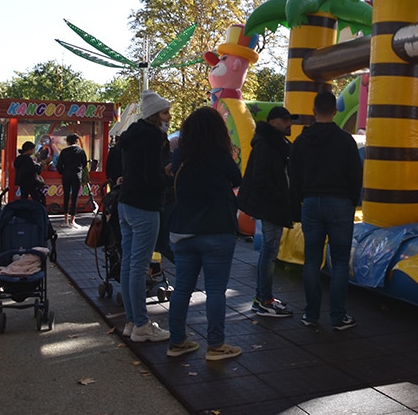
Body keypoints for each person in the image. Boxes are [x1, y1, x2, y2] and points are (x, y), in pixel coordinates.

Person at [166, 106, 243, 361]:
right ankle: (216, 345)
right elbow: (236, 179)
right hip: (217, 229)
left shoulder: (180, 156)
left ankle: (177, 341)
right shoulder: (221, 156)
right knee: (215, 290)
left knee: (181, 289)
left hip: (183, 230)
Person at [289, 90, 363, 330]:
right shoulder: (345, 140)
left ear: (313, 111)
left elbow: (294, 173)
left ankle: (311, 315)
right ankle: (338, 316)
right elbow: (355, 174)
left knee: (312, 260)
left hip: (311, 202)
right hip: (340, 202)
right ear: (335, 110)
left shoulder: (302, 140)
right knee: (340, 261)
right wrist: (352, 200)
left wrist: (301, 198)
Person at [116, 91, 174, 343]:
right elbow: (152, 177)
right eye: (165, 112)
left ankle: (132, 320)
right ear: (153, 115)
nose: (169, 117)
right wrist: (168, 176)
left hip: (126, 203)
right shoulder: (153, 137)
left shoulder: (131, 135)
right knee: (139, 267)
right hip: (145, 206)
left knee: (129, 265)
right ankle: (141, 323)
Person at [237, 105, 298, 318]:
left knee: (270, 252)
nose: (290, 124)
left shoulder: (274, 143)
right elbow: (262, 177)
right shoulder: (268, 145)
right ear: (274, 122)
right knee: (269, 252)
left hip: (273, 205)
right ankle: (263, 300)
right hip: (272, 206)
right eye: (286, 120)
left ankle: (265, 297)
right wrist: (279, 198)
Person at [56, 133, 88, 227]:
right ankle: (72, 220)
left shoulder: (64, 151)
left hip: (66, 175)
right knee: (74, 197)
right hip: (77, 175)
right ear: (76, 141)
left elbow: (59, 165)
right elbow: (84, 163)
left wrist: (63, 172)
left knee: (66, 196)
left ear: (68, 141)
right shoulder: (81, 151)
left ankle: (65, 219)